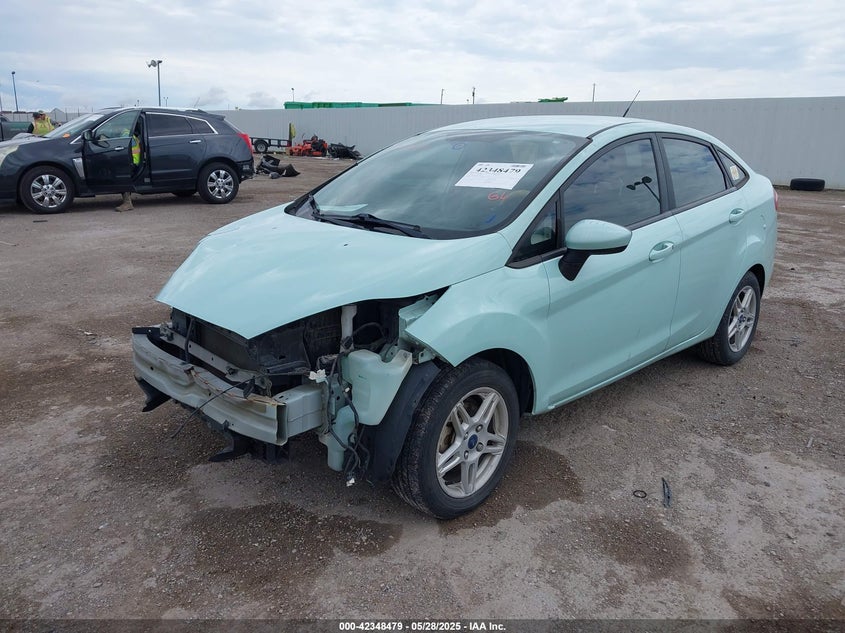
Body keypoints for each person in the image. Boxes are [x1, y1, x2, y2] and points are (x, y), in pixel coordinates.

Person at [115, 125, 142, 212]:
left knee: (122, 178)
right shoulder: (127, 133)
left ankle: (128, 203)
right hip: (133, 161)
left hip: (132, 162)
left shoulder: (125, 135)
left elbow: (123, 149)